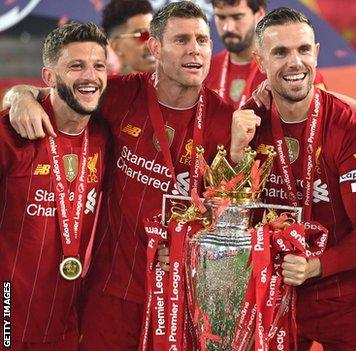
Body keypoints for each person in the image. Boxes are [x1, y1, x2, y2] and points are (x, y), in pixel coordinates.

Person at [4, 2, 235, 350]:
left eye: (202, 40)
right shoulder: (119, 93)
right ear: (154, 47)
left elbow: (238, 220)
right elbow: (65, 92)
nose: (194, 49)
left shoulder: (228, 121)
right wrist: (20, 96)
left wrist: (194, 245)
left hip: (179, 298)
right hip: (106, 296)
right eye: (182, 39)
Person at [233, 7, 356, 350]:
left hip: (345, 295)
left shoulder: (345, 125)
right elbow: (229, 219)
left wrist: (315, 266)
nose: (295, 62)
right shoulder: (248, 123)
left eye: (303, 50)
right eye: (280, 52)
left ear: (316, 53)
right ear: (259, 62)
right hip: (273, 291)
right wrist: (237, 154)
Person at [0, 22, 110, 351]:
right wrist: (19, 96)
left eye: (98, 65)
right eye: (76, 66)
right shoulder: (10, 133)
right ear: (48, 77)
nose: (90, 76)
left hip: (64, 326)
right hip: (8, 316)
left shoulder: (106, 134)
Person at [204, 0, 326, 108]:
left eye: (237, 17)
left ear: (260, 14)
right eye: (221, 17)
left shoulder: (295, 74)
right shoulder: (205, 70)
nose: (228, 28)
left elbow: (324, 118)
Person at [102, 0, 155, 75]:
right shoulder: (108, 85)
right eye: (143, 35)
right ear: (116, 47)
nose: (152, 44)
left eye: (154, 34)